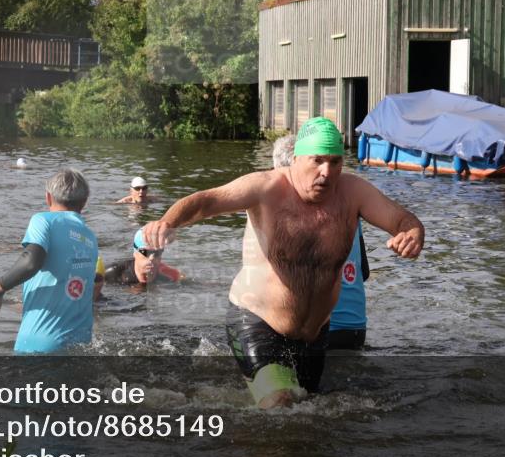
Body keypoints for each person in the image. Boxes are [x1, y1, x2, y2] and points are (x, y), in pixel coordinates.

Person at [140, 117, 425, 409]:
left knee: (310, 411)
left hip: (314, 334)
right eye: (317, 160)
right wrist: (167, 223)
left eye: (335, 162)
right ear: (297, 159)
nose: (326, 172)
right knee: (281, 404)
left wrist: (412, 234)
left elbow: (401, 219)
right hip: (257, 320)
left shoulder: (353, 193)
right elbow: (206, 201)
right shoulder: (266, 188)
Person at [0, 169, 98, 353]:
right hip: (82, 346)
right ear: (85, 201)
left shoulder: (43, 220)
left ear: (48, 197)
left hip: (39, 345)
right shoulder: (90, 237)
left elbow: (31, 262)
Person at [272, 135, 370, 350]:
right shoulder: (350, 205)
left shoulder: (285, 209)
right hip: (354, 328)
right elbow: (364, 272)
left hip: (316, 331)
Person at [103, 228, 184, 287]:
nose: (151, 258)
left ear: (160, 257)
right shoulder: (112, 273)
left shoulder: (168, 279)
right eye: (146, 252)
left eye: (157, 253)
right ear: (135, 253)